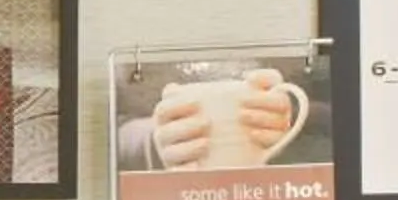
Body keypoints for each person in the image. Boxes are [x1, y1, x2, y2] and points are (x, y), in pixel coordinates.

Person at [115, 68, 329, 170]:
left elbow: (351, 105)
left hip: (289, 198)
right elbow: (96, 136)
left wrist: (295, 113)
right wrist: (151, 141)